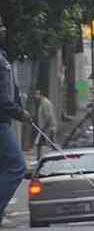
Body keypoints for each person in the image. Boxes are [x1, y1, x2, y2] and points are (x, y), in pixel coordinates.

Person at [0, 15, 32, 227]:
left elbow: (13, 89)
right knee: (17, 167)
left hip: (6, 120)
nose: (4, 30)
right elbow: (2, 97)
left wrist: (19, 108)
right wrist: (18, 113)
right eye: (0, 27)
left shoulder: (3, 56)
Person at [32, 89, 58, 161]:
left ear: (41, 95)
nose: (35, 96)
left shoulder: (45, 103)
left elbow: (48, 116)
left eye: (37, 94)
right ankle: (40, 157)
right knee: (47, 143)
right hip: (46, 127)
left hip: (47, 128)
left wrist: (44, 128)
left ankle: (41, 158)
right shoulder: (43, 102)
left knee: (41, 143)